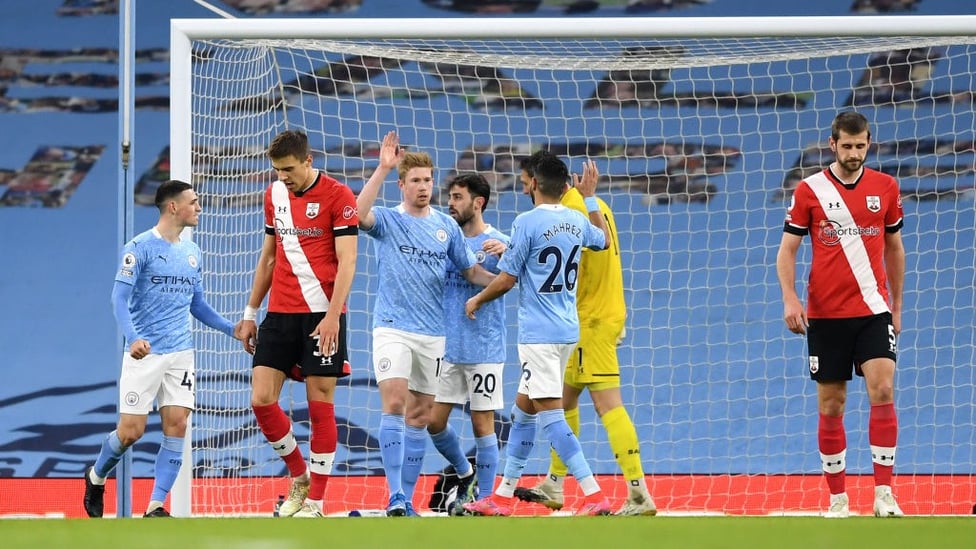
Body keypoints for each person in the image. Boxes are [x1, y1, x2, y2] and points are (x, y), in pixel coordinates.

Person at [462, 151, 613, 517]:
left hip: (539, 335)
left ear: (531, 183)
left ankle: (594, 496)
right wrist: (590, 198)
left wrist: (477, 299)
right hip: (565, 330)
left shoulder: (527, 222)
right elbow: (604, 241)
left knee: (550, 415)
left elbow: (508, 278)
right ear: (566, 187)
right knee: (523, 411)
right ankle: (499, 497)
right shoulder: (577, 221)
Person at [357, 131, 496, 516]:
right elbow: (354, 214)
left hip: (433, 334)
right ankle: (394, 497)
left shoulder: (446, 228)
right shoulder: (387, 219)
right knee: (395, 404)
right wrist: (382, 168)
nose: (423, 186)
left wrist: (507, 279)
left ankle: (405, 500)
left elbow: (472, 271)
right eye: (416, 180)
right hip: (392, 328)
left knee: (419, 416)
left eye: (428, 179)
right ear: (402, 184)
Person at [775, 111, 905, 519]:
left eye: (860, 146)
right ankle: (838, 499)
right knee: (832, 403)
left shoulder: (885, 187)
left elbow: (894, 248)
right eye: (846, 146)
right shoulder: (810, 190)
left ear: (869, 144)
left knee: (882, 390)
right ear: (832, 144)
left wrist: (896, 307)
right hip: (826, 315)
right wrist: (790, 299)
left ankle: (884, 495)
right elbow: (787, 250)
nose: (853, 153)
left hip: (872, 310)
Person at [83, 180, 237, 518]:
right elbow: (119, 299)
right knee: (130, 432)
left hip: (181, 353)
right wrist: (133, 337)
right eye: (193, 202)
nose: (198, 208)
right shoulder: (138, 248)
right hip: (144, 353)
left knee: (178, 424)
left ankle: (155, 505)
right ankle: (96, 476)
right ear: (173, 207)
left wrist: (231, 329)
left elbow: (197, 304)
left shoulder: (193, 253)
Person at [512, 156, 657, 516]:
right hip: (598, 315)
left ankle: (639, 493)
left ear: (537, 182)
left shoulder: (567, 212)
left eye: (524, 181)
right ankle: (555, 483)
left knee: (607, 403)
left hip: (588, 320)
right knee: (564, 400)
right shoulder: (593, 206)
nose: (523, 188)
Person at [235, 130, 359, 518]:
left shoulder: (339, 196)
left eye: (288, 169)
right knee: (261, 398)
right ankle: (299, 477)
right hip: (280, 313)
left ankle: (317, 503)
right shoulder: (273, 195)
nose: (283, 176)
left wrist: (332, 317)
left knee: (320, 405)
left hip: (323, 313)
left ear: (308, 160)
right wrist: (250, 314)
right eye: (277, 170)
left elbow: (348, 261)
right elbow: (268, 257)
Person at [430, 173, 511, 515]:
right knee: (433, 422)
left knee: (482, 426)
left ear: (478, 203)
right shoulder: (444, 239)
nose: (450, 202)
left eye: (458, 196)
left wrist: (509, 253)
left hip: (484, 348)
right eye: (450, 196)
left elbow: (523, 278)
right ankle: (466, 473)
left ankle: (486, 498)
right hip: (447, 348)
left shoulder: (501, 242)